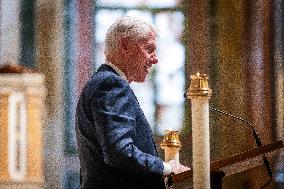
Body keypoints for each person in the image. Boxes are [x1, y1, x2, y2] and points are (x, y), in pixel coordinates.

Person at [75, 16, 189, 189]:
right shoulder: (110, 84)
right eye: (149, 49)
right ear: (125, 46)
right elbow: (119, 152)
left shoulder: (104, 82)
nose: (155, 59)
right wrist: (167, 168)